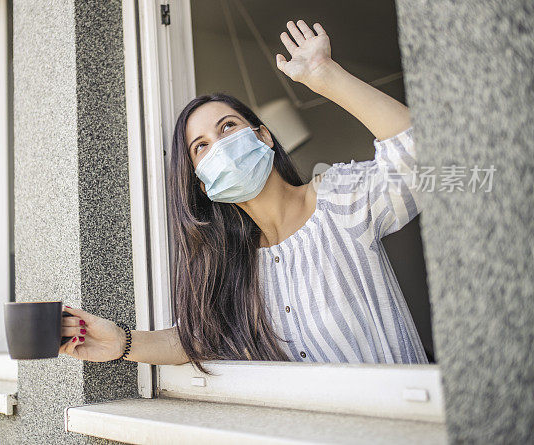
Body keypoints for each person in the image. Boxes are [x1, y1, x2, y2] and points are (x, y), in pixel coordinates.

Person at [60, 20, 428, 373]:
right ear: (202, 183)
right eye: (201, 146)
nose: (220, 146)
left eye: (228, 127)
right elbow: (198, 340)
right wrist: (122, 343)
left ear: (264, 136)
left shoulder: (337, 198)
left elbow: (420, 158)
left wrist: (324, 74)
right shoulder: (232, 262)